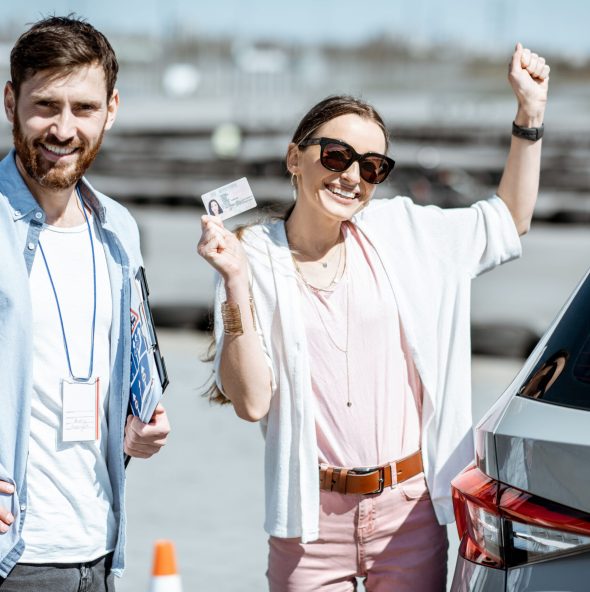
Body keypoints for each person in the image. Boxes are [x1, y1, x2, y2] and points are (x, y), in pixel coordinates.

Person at [198, 43, 549, 591]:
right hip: (308, 521)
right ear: (295, 157)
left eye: (372, 166)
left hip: (407, 515)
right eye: (335, 155)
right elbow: (251, 402)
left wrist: (529, 115)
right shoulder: (251, 257)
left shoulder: (404, 234)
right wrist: (234, 283)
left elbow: (510, 220)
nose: (351, 176)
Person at [0, 16, 170, 591]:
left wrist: (137, 419)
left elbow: (122, 356)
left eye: (84, 108)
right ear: (10, 102)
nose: (63, 129)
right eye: (45, 105)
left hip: (100, 547)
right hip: (13, 555)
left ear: (112, 109)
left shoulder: (118, 228)